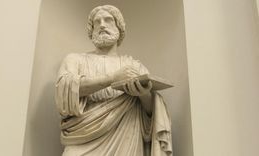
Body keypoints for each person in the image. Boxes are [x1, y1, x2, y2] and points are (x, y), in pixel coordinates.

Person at [55, 5, 172, 156]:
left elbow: (152, 113)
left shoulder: (134, 66)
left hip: (126, 135)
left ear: (119, 28)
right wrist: (112, 78)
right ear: (91, 30)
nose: (102, 25)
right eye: (97, 22)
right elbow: (64, 90)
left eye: (108, 20)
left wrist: (143, 95)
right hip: (83, 136)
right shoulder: (75, 59)